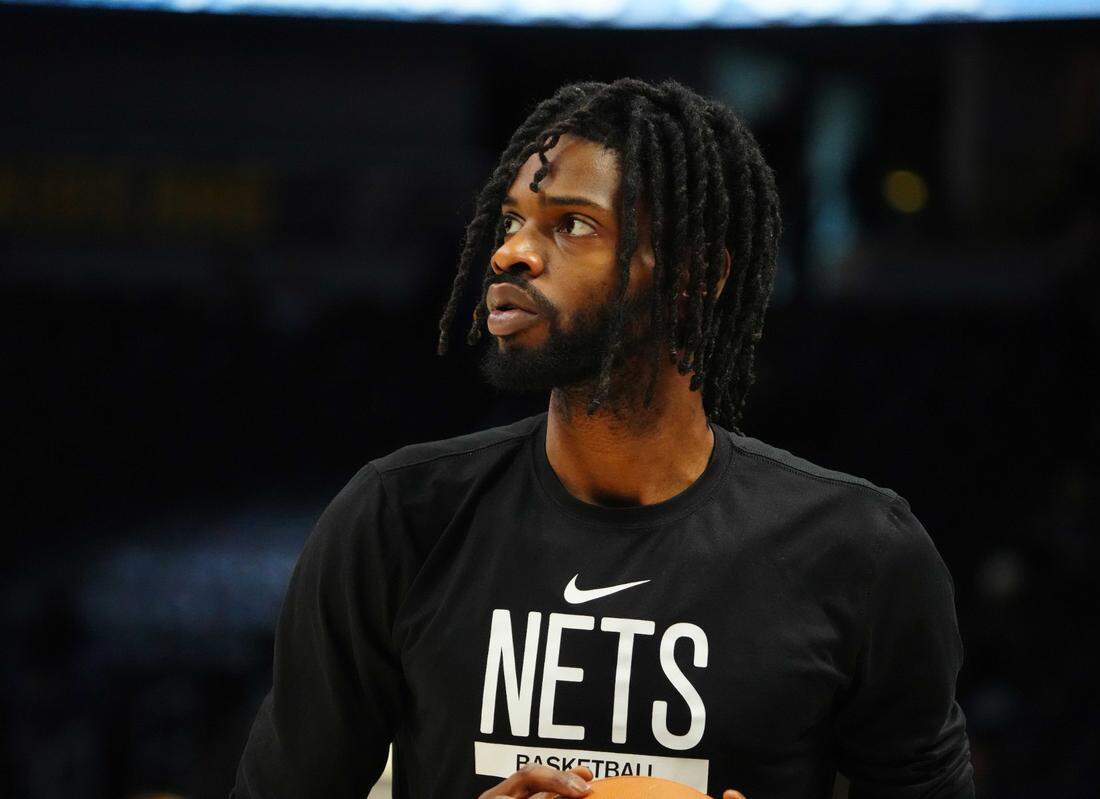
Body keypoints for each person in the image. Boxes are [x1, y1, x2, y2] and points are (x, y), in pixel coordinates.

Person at [230, 77, 975, 799]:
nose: (511, 253)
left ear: (693, 275)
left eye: (571, 224)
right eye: (511, 221)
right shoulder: (399, 519)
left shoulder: (861, 553)